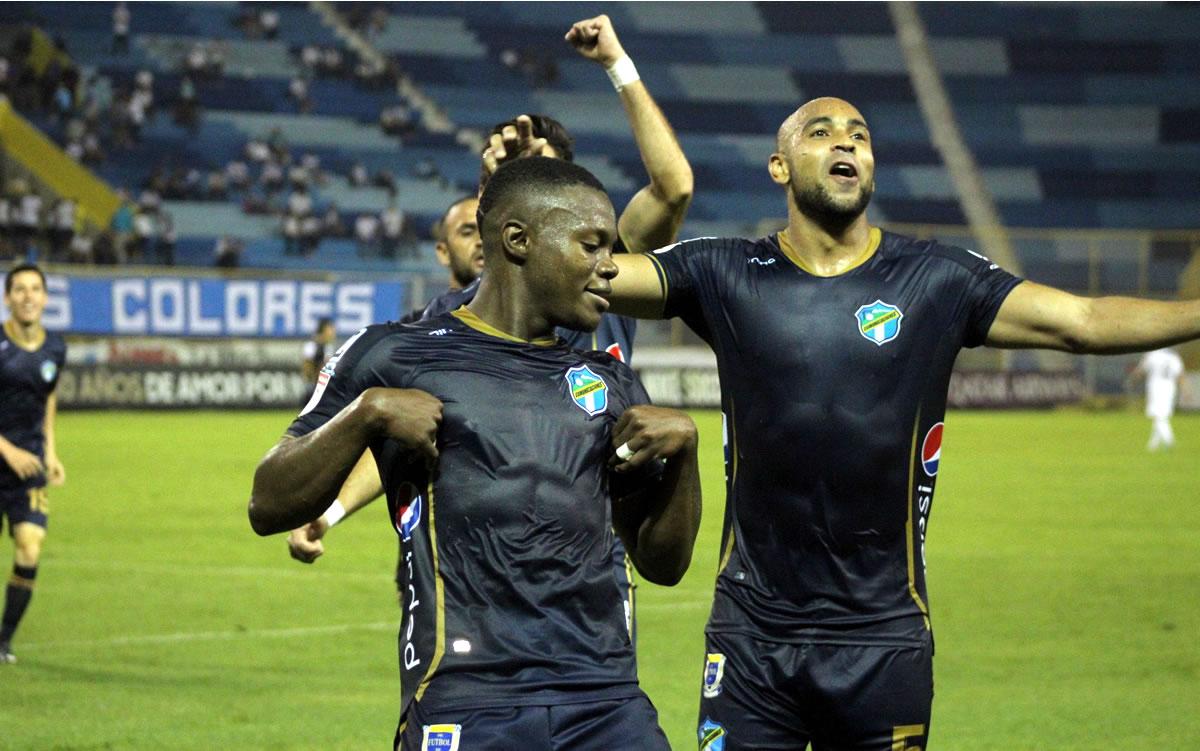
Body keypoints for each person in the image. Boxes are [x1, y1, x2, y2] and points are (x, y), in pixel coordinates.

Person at [603, 96, 1200, 750]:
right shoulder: (723, 271)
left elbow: (1082, 322)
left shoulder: (936, 280)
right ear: (779, 166)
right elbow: (596, 276)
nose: (846, 144)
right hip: (751, 641)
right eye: (822, 133)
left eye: (859, 136)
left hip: (883, 640)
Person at [249, 157, 702, 749]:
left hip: (607, 700)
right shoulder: (395, 355)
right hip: (468, 698)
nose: (611, 268)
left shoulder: (607, 382)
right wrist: (367, 415)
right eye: (592, 246)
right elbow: (268, 503)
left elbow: (663, 566)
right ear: (519, 241)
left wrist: (685, 458)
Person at [287, 15, 694, 639]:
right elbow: (408, 427)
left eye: (551, 180)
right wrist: (334, 510)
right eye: (517, 191)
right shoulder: (443, 329)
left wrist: (618, 64)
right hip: (476, 563)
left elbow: (673, 189)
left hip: (590, 544)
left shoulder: (605, 275)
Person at [0, 264, 67, 664]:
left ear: (44, 298)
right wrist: (6, 450)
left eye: (35, 289)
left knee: (30, 545)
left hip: (28, 467)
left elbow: (48, 400)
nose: (28, 296)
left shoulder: (55, 348)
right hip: (7, 455)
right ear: (8, 298)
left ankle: (3, 641)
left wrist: (51, 451)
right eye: (19, 289)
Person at [1133, 347, 1186, 451]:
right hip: (1170, 388)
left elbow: (1142, 369)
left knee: (1158, 415)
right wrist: (1185, 390)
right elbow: (1180, 375)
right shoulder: (1174, 357)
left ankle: (1169, 440)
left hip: (1155, 387)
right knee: (1162, 415)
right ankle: (1153, 445)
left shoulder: (1152, 354)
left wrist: (1134, 378)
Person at [300, 317, 336, 407]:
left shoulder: (328, 347)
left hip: (322, 384)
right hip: (314, 384)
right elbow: (307, 366)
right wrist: (311, 379)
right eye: (330, 329)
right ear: (323, 330)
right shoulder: (312, 346)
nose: (332, 332)